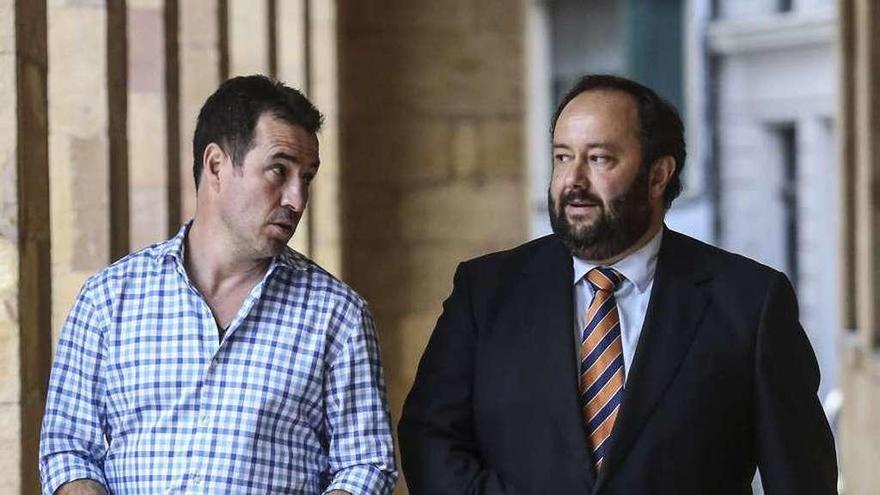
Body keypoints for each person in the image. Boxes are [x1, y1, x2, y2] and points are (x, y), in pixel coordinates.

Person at [398, 74, 837, 494]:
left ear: (658, 174)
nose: (573, 181)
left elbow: (800, 478)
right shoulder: (485, 291)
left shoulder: (749, 303)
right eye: (563, 157)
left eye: (599, 158)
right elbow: (430, 439)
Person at [40, 75, 397, 495]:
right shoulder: (107, 298)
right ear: (216, 166)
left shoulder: (338, 315)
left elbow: (366, 464)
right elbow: (67, 448)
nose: (297, 199)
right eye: (279, 171)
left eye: (307, 178)